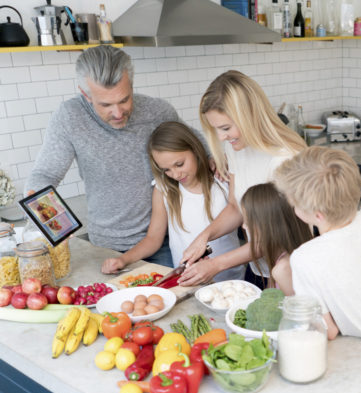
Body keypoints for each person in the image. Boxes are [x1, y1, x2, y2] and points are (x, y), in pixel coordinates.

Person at [25, 46, 207, 267]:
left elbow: (194, 142)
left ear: (131, 85)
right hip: (104, 248)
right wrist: (41, 208)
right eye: (106, 104)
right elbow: (45, 173)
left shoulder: (157, 111)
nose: (118, 113)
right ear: (86, 95)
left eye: (124, 100)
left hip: (160, 244)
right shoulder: (70, 117)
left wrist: (215, 159)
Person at [274, 146, 361, 348]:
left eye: (294, 204)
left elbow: (329, 331)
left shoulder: (304, 258)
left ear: (318, 215)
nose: (293, 208)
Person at [177, 70, 306, 286]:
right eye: (215, 129)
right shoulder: (236, 148)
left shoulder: (284, 160)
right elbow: (236, 207)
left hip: (289, 275)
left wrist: (216, 264)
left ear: (249, 116)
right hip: (257, 268)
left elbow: (274, 235)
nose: (221, 137)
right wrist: (203, 237)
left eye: (226, 128)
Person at [101, 122, 243, 282]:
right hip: (188, 282)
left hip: (230, 281)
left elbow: (237, 213)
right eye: (166, 169)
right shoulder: (164, 189)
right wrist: (123, 259)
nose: (175, 174)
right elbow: (153, 239)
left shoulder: (223, 179)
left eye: (179, 164)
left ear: (195, 150)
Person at [239, 183, 313, 295]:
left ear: (268, 225)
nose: (244, 226)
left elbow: (295, 311)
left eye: (248, 220)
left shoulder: (282, 269)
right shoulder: (281, 256)